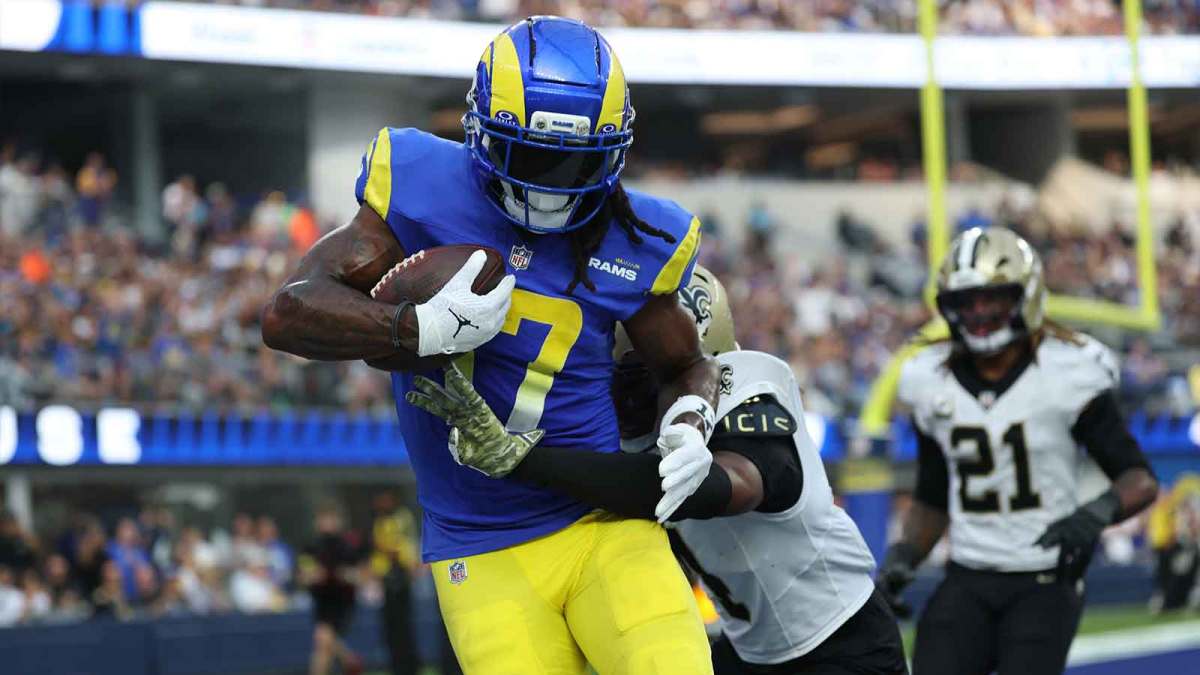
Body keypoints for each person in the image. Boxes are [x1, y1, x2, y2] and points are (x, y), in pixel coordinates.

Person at [262, 16, 719, 673]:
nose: (552, 184)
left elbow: (686, 365)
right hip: (478, 541)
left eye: (576, 161)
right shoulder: (421, 183)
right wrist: (412, 328)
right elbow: (287, 312)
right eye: (531, 154)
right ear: (479, 129)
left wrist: (689, 422)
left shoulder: (638, 233)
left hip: (601, 522)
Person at [408, 267, 908, 675]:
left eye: (639, 372)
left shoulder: (750, 394)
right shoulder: (624, 419)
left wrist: (526, 460)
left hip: (841, 636)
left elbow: (708, 488)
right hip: (750, 647)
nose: (621, 390)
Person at [877, 227, 1159, 675]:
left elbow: (1138, 479)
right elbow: (933, 494)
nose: (979, 312)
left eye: (992, 298)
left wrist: (1095, 514)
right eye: (966, 302)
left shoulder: (1069, 371)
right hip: (967, 573)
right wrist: (905, 555)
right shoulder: (930, 378)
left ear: (1025, 296)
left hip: (1044, 577)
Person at [299, 505, 364, 675]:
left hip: (342, 601)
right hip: (322, 601)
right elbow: (303, 574)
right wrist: (312, 576)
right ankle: (350, 660)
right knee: (323, 647)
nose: (327, 523)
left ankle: (349, 659)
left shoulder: (346, 547)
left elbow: (360, 575)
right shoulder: (311, 546)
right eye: (323, 519)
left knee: (323, 640)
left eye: (331, 519)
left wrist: (345, 574)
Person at [369, 492, 419, 675]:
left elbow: (398, 546)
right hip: (387, 577)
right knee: (391, 627)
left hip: (400, 575)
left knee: (402, 626)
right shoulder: (380, 520)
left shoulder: (400, 518)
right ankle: (398, 665)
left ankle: (408, 666)